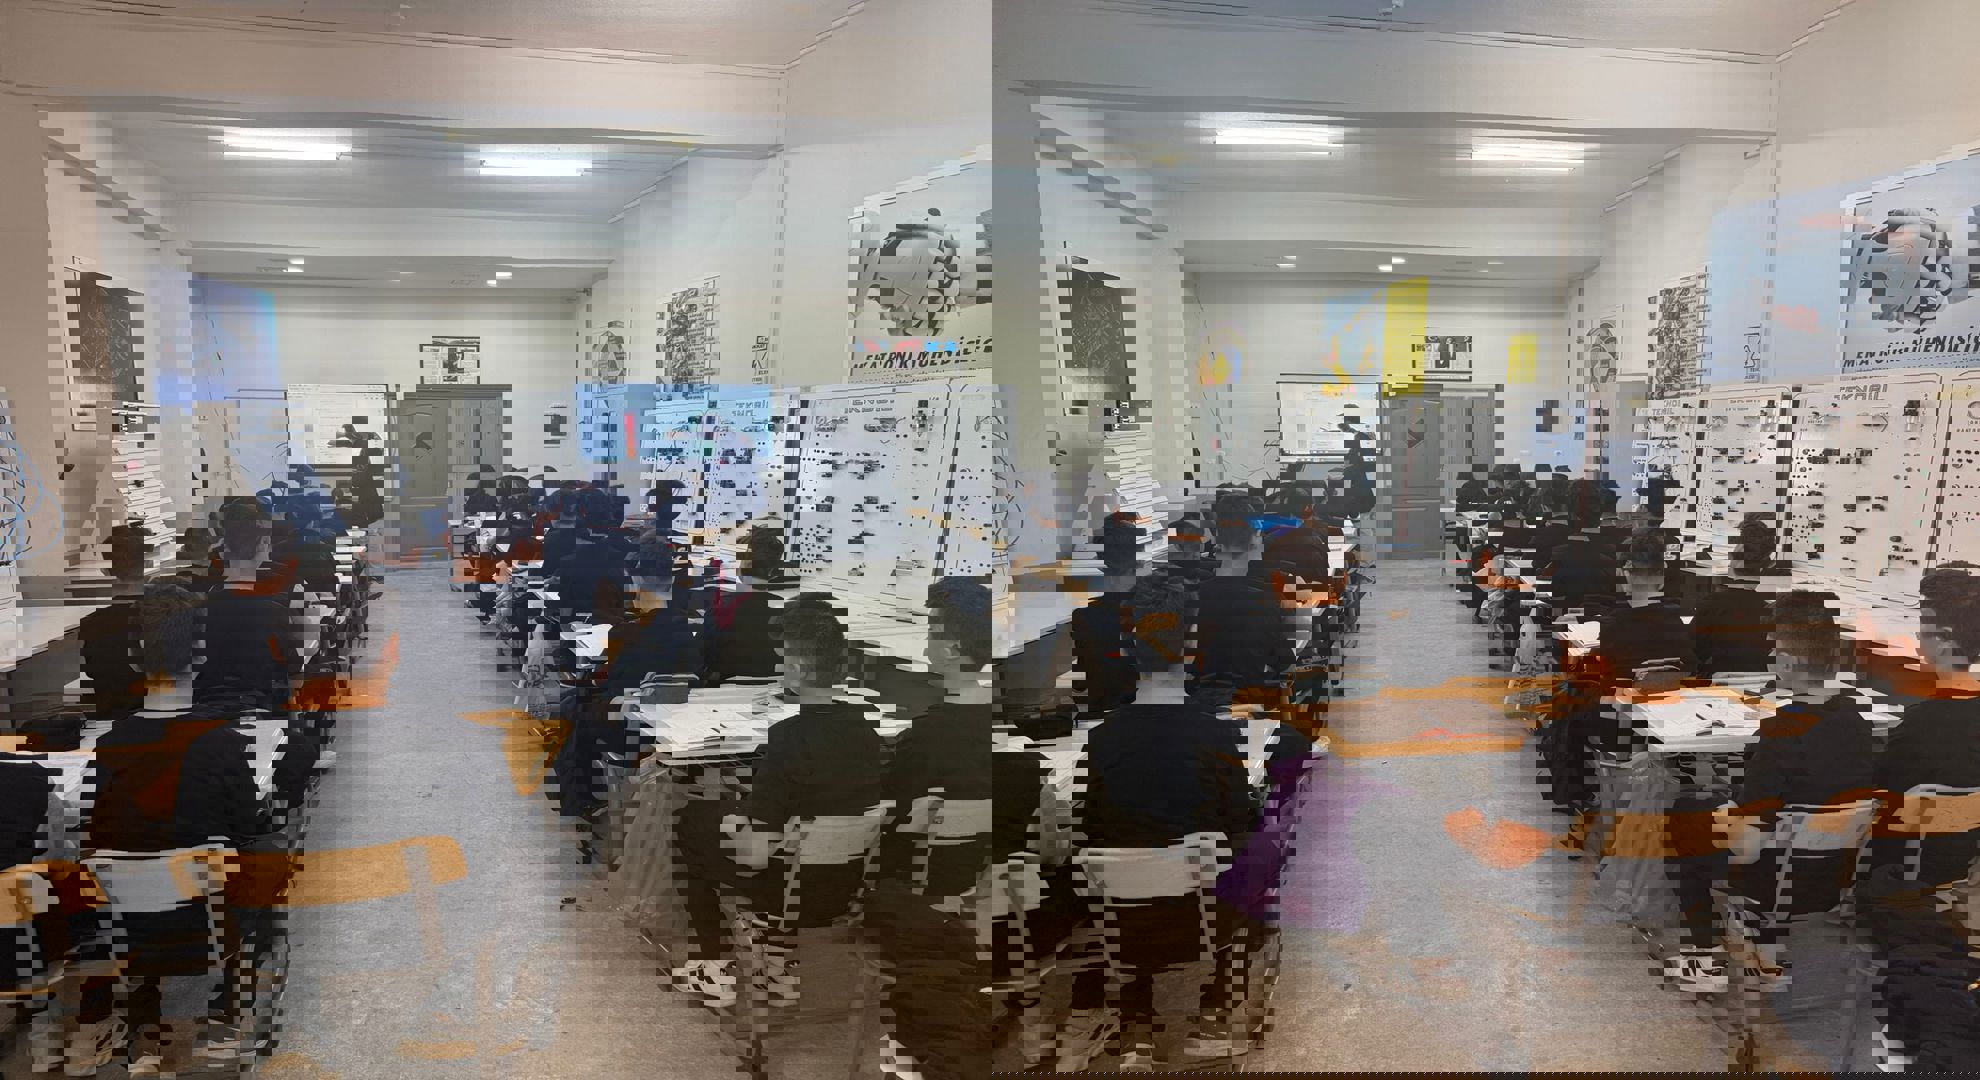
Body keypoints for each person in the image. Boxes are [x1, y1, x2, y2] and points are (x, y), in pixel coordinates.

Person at [1055, 575, 1256, 1071]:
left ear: (1128, 648)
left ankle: (1136, 1028)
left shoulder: (1100, 741)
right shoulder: (1216, 736)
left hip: (1124, 921)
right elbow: (1239, 825)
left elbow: (1091, 832)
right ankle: (1214, 1014)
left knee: (1125, 854)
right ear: (1191, 647)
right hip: (1201, 920)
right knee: (1267, 851)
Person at [74, 583, 274, 1074]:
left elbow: (98, 831)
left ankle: (143, 1024)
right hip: (206, 919)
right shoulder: (224, 743)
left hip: (130, 921)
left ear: (136, 657)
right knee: (266, 857)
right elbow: (247, 828)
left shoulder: (109, 746)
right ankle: (228, 1012)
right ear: (200, 654)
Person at [670, 594, 884, 1004]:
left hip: (788, 891)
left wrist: (735, 826)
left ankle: (714, 967)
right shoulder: (868, 734)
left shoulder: (788, 739)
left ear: (798, 668)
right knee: (736, 817)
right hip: (844, 887)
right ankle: (777, 965)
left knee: (692, 823)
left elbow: (753, 857)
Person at [1663, 591, 1876, 992]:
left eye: (1775, 652)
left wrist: (1723, 811)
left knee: (1684, 816)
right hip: (1832, 873)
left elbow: (1748, 840)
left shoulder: (1782, 731)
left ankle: (1704, 959)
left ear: (1789, 663)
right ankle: (1764, 950)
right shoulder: (1858, 722)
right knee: (1732, 809)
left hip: (1773, 871)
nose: (1771, 658)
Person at [870, 577, 993, 1079]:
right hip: (982, 882)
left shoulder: (924, 737)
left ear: (951, 648)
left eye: (931, 630)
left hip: (920, 889)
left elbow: (892, 818)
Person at [1861, 564, 1980, 1070]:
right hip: (1963, 876)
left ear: (1945, 637)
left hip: (1905, 879)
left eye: (1923, 625)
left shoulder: (1922, 723)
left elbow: (1879, 804)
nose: (1916, 635)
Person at [1192, 490, 1295, 714]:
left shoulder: (1194, 595)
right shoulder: (1265, 598)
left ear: (1216, 538)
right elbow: (1283, 660)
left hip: (1199, 704)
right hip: (1246, 703)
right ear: (1256, 536)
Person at [1691, 515, 1783, 679]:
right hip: (1759, 684)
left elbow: (1694, 651)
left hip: (1718, 682)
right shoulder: (1772, 611)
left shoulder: (1712, 605)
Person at [702, 525, 789, 685]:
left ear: (741, 566)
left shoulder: (719, 611)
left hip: (727, 690)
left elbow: (704, 660)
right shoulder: (789, 613)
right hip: (774, 689)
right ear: (774, 571)